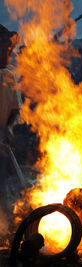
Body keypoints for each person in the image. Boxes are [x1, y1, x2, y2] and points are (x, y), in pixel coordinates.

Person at [0, 24, 22, 214]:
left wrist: (8, 130)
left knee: (8, 183)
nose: (9, 54)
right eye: (6, 49)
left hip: (2, 137)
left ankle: (7, 220)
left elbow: (14, 111)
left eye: (10, 50)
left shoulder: (8, 77)